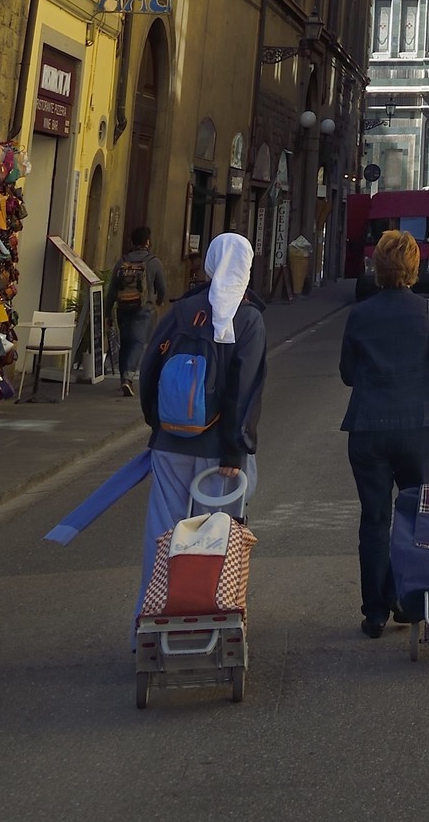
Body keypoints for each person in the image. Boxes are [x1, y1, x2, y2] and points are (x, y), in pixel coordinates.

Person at [338, 229, 429, 637]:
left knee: (374, 519)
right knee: (413, 516)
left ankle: (374, 612)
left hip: (367, 428)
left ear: (377, 266)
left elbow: (346, 374)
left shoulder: (359, 314)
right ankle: (405, 601)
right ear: (413, 268)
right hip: (417, 428)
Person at [135, 234, 266, 633]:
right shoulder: (248, 320)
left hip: (171, 443)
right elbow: (244, 392)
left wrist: (158, 426)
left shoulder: (181, 310)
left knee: (163, 535)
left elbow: (148, 371)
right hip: (219, 454)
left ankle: (150, 626)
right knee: (216, 538)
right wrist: (235, 453)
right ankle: (213, 622)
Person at [104, 226, 167, 399]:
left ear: (132, 242)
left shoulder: (122, 261)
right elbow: (162, 287)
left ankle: (124, 377)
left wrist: (108, 313)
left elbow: (112, 290)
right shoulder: (153, 262)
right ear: (148, 242)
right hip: (143, 308)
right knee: (137, 342)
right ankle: (128, 377)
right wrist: (158, 301)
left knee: (125, 342)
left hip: (123, 306)